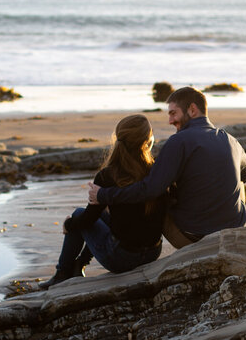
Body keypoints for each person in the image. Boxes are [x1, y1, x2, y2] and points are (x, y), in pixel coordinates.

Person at [88, 86, 246, 248]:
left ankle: (138, 249)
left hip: (192, 236)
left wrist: (104, 195)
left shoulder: (178, 141)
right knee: (239, 182)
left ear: (192, 110)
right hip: (232, 231)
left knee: (160, 197)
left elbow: (150, 189)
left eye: (173, 113)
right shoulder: (231, 140)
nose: (170, 121)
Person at [39, 114, 167, 290]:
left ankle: (62, 273)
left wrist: (69, 224)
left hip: (122, 258)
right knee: (105, 215)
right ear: (148, 141)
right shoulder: (157, 171)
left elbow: (88, 219)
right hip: (153, 252)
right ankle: (78, 265)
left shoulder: (107, 175)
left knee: (78, 214)